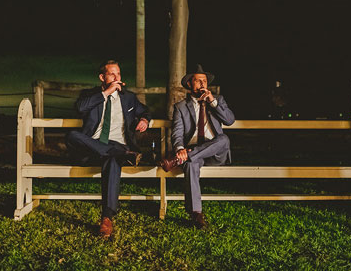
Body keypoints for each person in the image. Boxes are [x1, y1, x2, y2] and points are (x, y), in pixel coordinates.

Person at [66, 60, 150, 238]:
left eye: (118, 74)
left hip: (118, 145)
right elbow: (80, 108)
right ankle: (122, 154)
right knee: (72, 135)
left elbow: (145, 111)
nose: (116, 77)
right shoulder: (90, 94)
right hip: (93, 148)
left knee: (112, 160)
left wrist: (144, 120)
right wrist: (106, 93)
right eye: (112, 74)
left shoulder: (129, 98)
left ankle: (106, 218)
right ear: (102, 77)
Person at [160, 64, 235, 228]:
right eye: (198, 80)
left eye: (205, 81)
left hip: (215, 153)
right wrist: (180, 149)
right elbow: (177, 133)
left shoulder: (218, 100)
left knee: (224, 139)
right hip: (193, 153)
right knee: (191, 163)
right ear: (189, 84)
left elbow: (230, 120)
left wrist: (213, 102)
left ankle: (184, 157)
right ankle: (196, 214)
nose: (202, 84)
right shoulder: (181, 107)